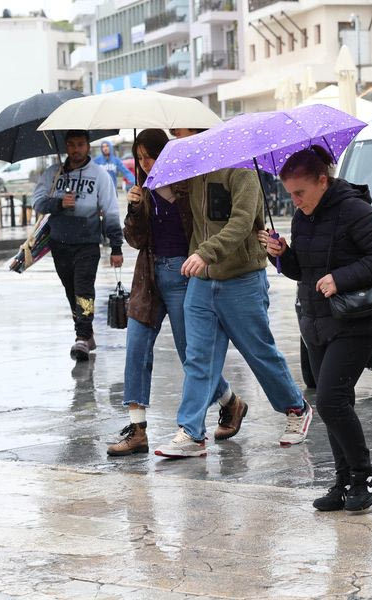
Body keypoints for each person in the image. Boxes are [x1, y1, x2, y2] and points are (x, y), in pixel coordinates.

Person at [261, 146, 372, 512]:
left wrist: (340, 278)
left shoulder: (354, 209)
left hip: (355, 319)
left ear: (323, 180)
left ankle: (365, 474)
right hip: (316, 321)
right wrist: (282, 253)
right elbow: (302, 271)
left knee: (331, 400)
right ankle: (344, 481)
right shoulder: (303, 217)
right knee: (335, 404)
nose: (295, 200)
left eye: (300, 192)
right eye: (289, 193)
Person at [153, 149, 312, 458]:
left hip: (241, 279)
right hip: (201, 282)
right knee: (198, 358)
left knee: (258, 352)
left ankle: (297, 408)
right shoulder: (194, 170)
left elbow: (241, 223)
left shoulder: (241, 169)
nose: (176, 138)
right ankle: (192, 432)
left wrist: (205, 252)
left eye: (181, 132)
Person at [106, 129, 240, 457]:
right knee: (136, 349)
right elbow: (135, 241)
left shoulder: (189, 183)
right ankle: (137, 430)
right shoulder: (144, 190)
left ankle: (230, 402)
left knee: (189, 354)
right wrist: (135, 208)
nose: (144, 163)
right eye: (139, 158)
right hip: (149, 279)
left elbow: (206, 226)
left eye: (149, 156)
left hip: (185, 275)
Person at [32, 130, 124, 361]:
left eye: (80, 144)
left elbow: (111, 211)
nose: (76, 149)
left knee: (84, 289)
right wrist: (59, 203)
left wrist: (116, 247)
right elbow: (37, 202)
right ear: (65, 146)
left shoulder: (100, 175)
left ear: (87, 146)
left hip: (87, 243)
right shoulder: (54, 173)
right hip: (59, 243)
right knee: (71, 291)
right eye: (71, 145)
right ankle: (87, 332)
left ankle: (81, 337)